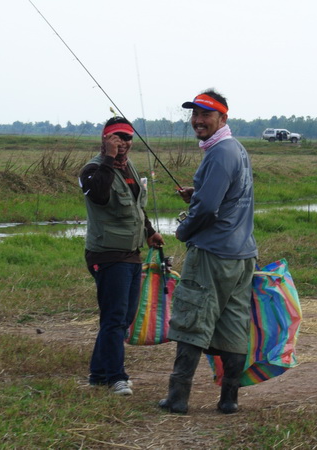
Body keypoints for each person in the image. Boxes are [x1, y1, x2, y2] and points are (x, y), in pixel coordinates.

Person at [159, 89, 258, 415]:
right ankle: (229, 399)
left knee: (191, 321)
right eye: (194, 114)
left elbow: (209, 210)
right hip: (242, 256)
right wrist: (197, 192)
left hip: (213, 255)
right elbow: (223, 197)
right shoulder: (236, 149)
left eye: (206, 115)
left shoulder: (218, 154)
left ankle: (177, 399)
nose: (198, 121)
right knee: (233, 326)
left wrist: (183, 230)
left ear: (223, 118)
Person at [78, 116, 164, 396]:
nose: (123, 143)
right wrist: (107, 157)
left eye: (127, 137)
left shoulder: (130, 167)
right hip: (106, 253)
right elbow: (100, 195)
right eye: (116, 137)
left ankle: (98, 373)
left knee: (123, 317)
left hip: (131, 253)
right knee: (114, 317)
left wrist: (150, 231)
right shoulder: (92, 169)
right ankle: (117, 377)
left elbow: (136, 206)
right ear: (105, 139)